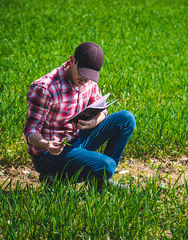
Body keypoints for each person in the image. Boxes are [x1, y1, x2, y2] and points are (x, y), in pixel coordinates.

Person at [24, 42, 136, 188]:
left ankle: (99, 179)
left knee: (126, 119)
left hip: (77, 138)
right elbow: (30, 129)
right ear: (72, 60)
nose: (84, 80)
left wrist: (95, 121)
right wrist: (46, 144)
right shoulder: (45, 88)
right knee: (107, 165)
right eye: (82, 74)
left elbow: (101, 109)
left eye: (89, 77)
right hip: (51, 152)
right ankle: (58, 178)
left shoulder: (89, 81)